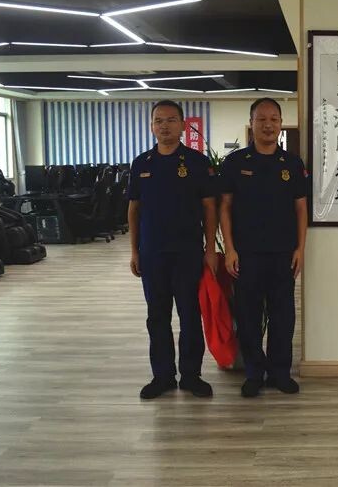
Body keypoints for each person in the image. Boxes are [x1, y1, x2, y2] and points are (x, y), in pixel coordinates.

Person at [128, 100, 218, 399]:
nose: (164, 126)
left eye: (170, 120)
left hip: (188, 253)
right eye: (158, 121)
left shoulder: (196, 162)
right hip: (152, 254)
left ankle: (191, 376)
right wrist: (134, 250)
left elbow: (209, 207)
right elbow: (134, 208)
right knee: (157, 317)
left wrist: (209, 249)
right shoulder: (141, 164)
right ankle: (163, 376)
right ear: (152, 126)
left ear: (182, 125)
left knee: (190, 316)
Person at [219, 98, 307, 398]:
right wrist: (229, 249)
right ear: (252, 123)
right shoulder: (235, 163)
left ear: (280, 123)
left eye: (274, 119)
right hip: (246, 254)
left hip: (283, 253)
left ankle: (280, 373)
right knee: (248, 317)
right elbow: (225, 207)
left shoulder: (292, 164)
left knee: (283, 316)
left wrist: (300, 248)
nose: (268, 125)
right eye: (261, 119)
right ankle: (254, 373)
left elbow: (301, 209)